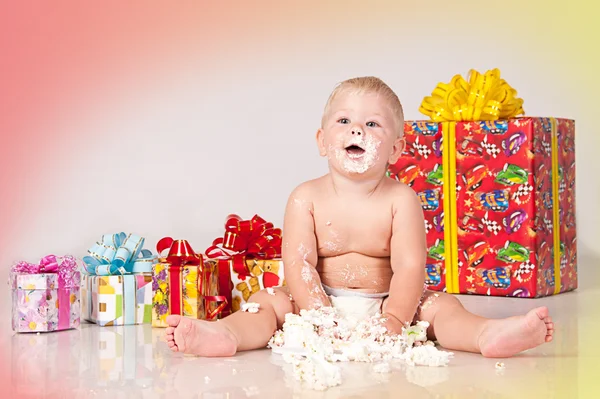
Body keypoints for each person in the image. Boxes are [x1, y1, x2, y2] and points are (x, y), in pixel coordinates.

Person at [164, 76, 554, 358]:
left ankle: (487, 334)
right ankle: (224, 336)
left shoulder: (402, 200)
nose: (357, 130)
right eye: (344, 121)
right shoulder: (306, 197)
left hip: (388, 302)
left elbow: (410, 268)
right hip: (317, 304)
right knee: (265, 303)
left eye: (372, 124)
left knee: (441, 307)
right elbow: (298, 264)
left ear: (397, 148)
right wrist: (317, 314)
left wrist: (396, 320)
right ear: (322, 141)